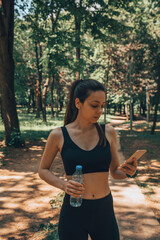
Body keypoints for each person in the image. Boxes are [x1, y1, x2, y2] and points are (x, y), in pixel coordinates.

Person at [38, 79, 137, 240]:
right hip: (74, 211)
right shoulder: (58, 135)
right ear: (78, 103)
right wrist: (63, 185)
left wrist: (130, 171)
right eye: (94, 105)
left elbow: (115, 172)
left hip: (104, 210)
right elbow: (42, 170)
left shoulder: (108, 132)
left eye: (102, 105)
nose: (100, 110)